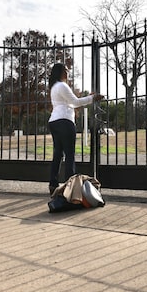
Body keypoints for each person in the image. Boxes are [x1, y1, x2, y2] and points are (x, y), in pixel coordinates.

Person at [47, 63, 103, 194]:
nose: (68, 72)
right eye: (65, 70)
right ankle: (70, 188)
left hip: (54, 121)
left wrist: (89, 96)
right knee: (69, 155)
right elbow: (75, 102)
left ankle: (53, 184)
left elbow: (70, 101)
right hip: (65, 121)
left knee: (57, 154)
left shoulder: (54, 87)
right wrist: (93, 98)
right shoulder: (62, 85)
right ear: (61, 72)